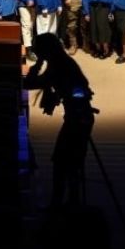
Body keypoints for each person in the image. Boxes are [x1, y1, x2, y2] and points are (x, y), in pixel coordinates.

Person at [24, 33, 96, 210]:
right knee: (68, 162)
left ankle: (63, 203)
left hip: (78, 119)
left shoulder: (59, 64)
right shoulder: (61, 62)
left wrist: (38, 64)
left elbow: (30, 83)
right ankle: (70, 202)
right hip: (79, 117)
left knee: (63, 161)